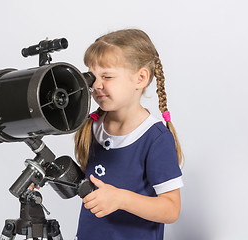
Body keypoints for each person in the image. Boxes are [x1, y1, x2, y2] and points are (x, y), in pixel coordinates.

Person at [74, 29, 184, 240]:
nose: (96, 85)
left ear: (140, 78)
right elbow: (89, 184)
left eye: (107, 76)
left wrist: (120, 199)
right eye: (92, 77)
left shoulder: (156, 139)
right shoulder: (92, 126)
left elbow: (171, 209)